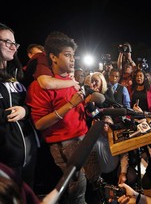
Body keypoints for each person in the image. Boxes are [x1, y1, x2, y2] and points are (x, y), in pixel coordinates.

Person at [26, 31, 99, 204]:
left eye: (74, 55)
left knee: (94, 182)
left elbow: (79, 110)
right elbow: (39, 124)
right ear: (53, 57)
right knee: (77, 193)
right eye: (67, 55)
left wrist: (89, 109)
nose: (73, 59)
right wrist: (70, 105)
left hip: (85, 138)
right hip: (64, 144)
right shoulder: (40, 86)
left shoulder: (73, 81)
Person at [0, 23, 39, 189]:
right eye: (7, 42)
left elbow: (31, 105)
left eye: (14, 43)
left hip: (28, 154)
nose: (13, 47)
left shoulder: (17, 76)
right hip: (6, 158)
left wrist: (25, 110)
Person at [94, 116, 136, 186]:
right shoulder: (96, 138)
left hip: (116, 169)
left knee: (131, 177)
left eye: (109, 123)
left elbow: (124, 155)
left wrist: (123, 173)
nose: (106, 125)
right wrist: (94, 129)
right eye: (104, 123)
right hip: (101, 173)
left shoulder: (117, 137)